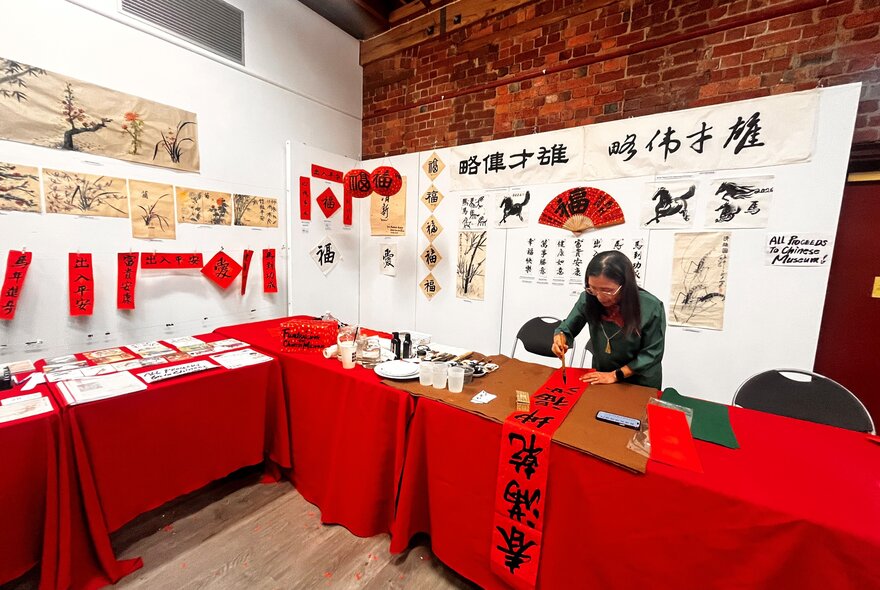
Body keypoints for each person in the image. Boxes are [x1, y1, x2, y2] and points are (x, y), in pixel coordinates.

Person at [552, 250, 665, 388]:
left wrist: (614, 375)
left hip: (639, 382)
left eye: (607, 290)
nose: (599, 297)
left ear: (625, 285)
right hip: (602, 377)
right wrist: (560, 338)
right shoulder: (588, 299)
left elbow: (651, 354)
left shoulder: (651, 307)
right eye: (593, 288)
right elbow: (567, 328)